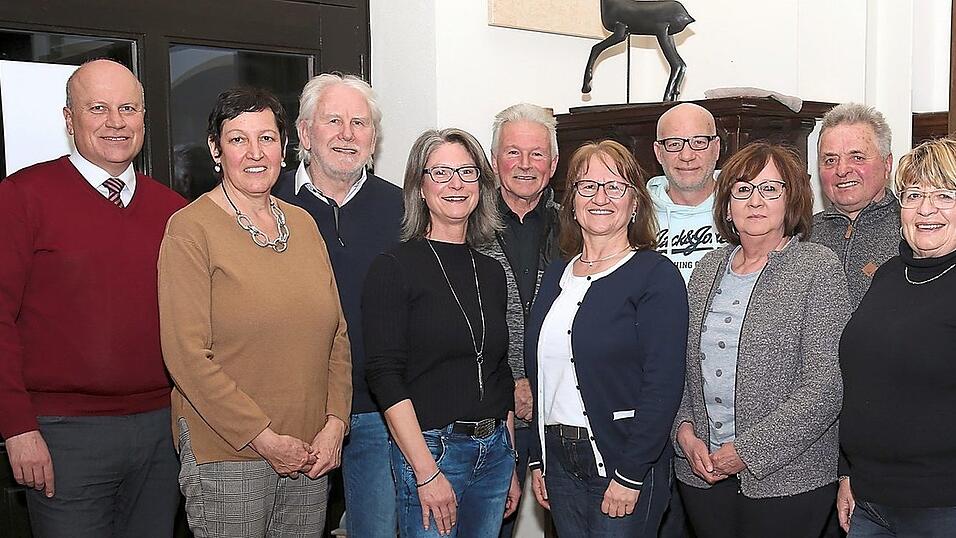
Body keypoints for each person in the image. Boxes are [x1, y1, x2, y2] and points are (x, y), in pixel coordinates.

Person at [0, 59, 185, 537]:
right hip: (62, 435)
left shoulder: (174, 211)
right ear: (69, 119)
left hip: (160, 431)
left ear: (144, 117)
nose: (115, 122)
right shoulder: (23, 196)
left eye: (127, 108)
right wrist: (17, 428)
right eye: (97, 108)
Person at [158, 87, 352, 537]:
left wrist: (335, 424)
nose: (254, 152)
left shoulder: (303, 224)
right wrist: (264, 438)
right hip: (230, 451)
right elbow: (186, 356)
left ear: (285, 147)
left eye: (266, 138)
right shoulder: (189, 230)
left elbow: (336, 335)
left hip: (309, 451)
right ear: (215, 149)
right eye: (238, 139)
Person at [673, 142, 850, 538]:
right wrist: (684, 432)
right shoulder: (707, 269)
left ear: (792, 200)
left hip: (789, 479)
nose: (755, 200)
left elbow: (825, 387)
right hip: (702, 473)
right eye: (742, 189)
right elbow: (683, 367)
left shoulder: (817, 269)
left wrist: (747, 452)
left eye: (771, 189)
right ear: (727, 203)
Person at [525, 139, 688, 536]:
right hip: (558, 461)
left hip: (622, 461)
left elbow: (663, 384)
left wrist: (631, 475)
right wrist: (537, 459)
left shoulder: (655, 275)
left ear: (635, 203)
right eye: (587, 186)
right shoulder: (554, 277)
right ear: (572, 202)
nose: (601, 197)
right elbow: (541, 379)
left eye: (615, 186)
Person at [364, 128, 517, 537]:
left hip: (494, 454)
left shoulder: (491, 272)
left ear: (482, 187)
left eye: (467, 172)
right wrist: (426, 472)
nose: (456, 184)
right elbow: (383, 375)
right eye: (442, 172)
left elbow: (498, 372)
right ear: (418, 187)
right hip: (433, 452)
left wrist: (511, 461)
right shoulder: (393, 267)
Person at [272, 73, 404, 537]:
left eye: (360, 123)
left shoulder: (403, 209)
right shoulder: (268, 202)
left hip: (377, 411)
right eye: (334, 121)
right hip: (293, 411)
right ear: (306, 134)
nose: (347, 134)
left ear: (374, 138)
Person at [838, 137, 956, 537]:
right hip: (869, 499)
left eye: (944, 195)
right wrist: (848, 474)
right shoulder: (889, 274)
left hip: (941, 506)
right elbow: (862, 385)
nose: (926, 209)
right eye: (914, 194)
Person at [477, 102, 560, 538]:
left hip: (563, 411)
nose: (525, 165)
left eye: (537, 153)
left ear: (554, 163)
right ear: (494, 162)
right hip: (488, 411)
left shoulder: (578, 225)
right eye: (513, 152)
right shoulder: (465, 225)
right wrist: (510, 384)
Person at [810, 103, 900, 309]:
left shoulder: (912, 232)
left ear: (887, 164)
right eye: (830, 160)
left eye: (857, 157)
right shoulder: (803, 234)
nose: (842, 170)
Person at [649, 102, 725, 283]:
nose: (687, 156)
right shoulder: (636, 215)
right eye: (674, 144)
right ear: (659, 153)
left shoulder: (744, 209)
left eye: (699, 142)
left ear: (716, 148)